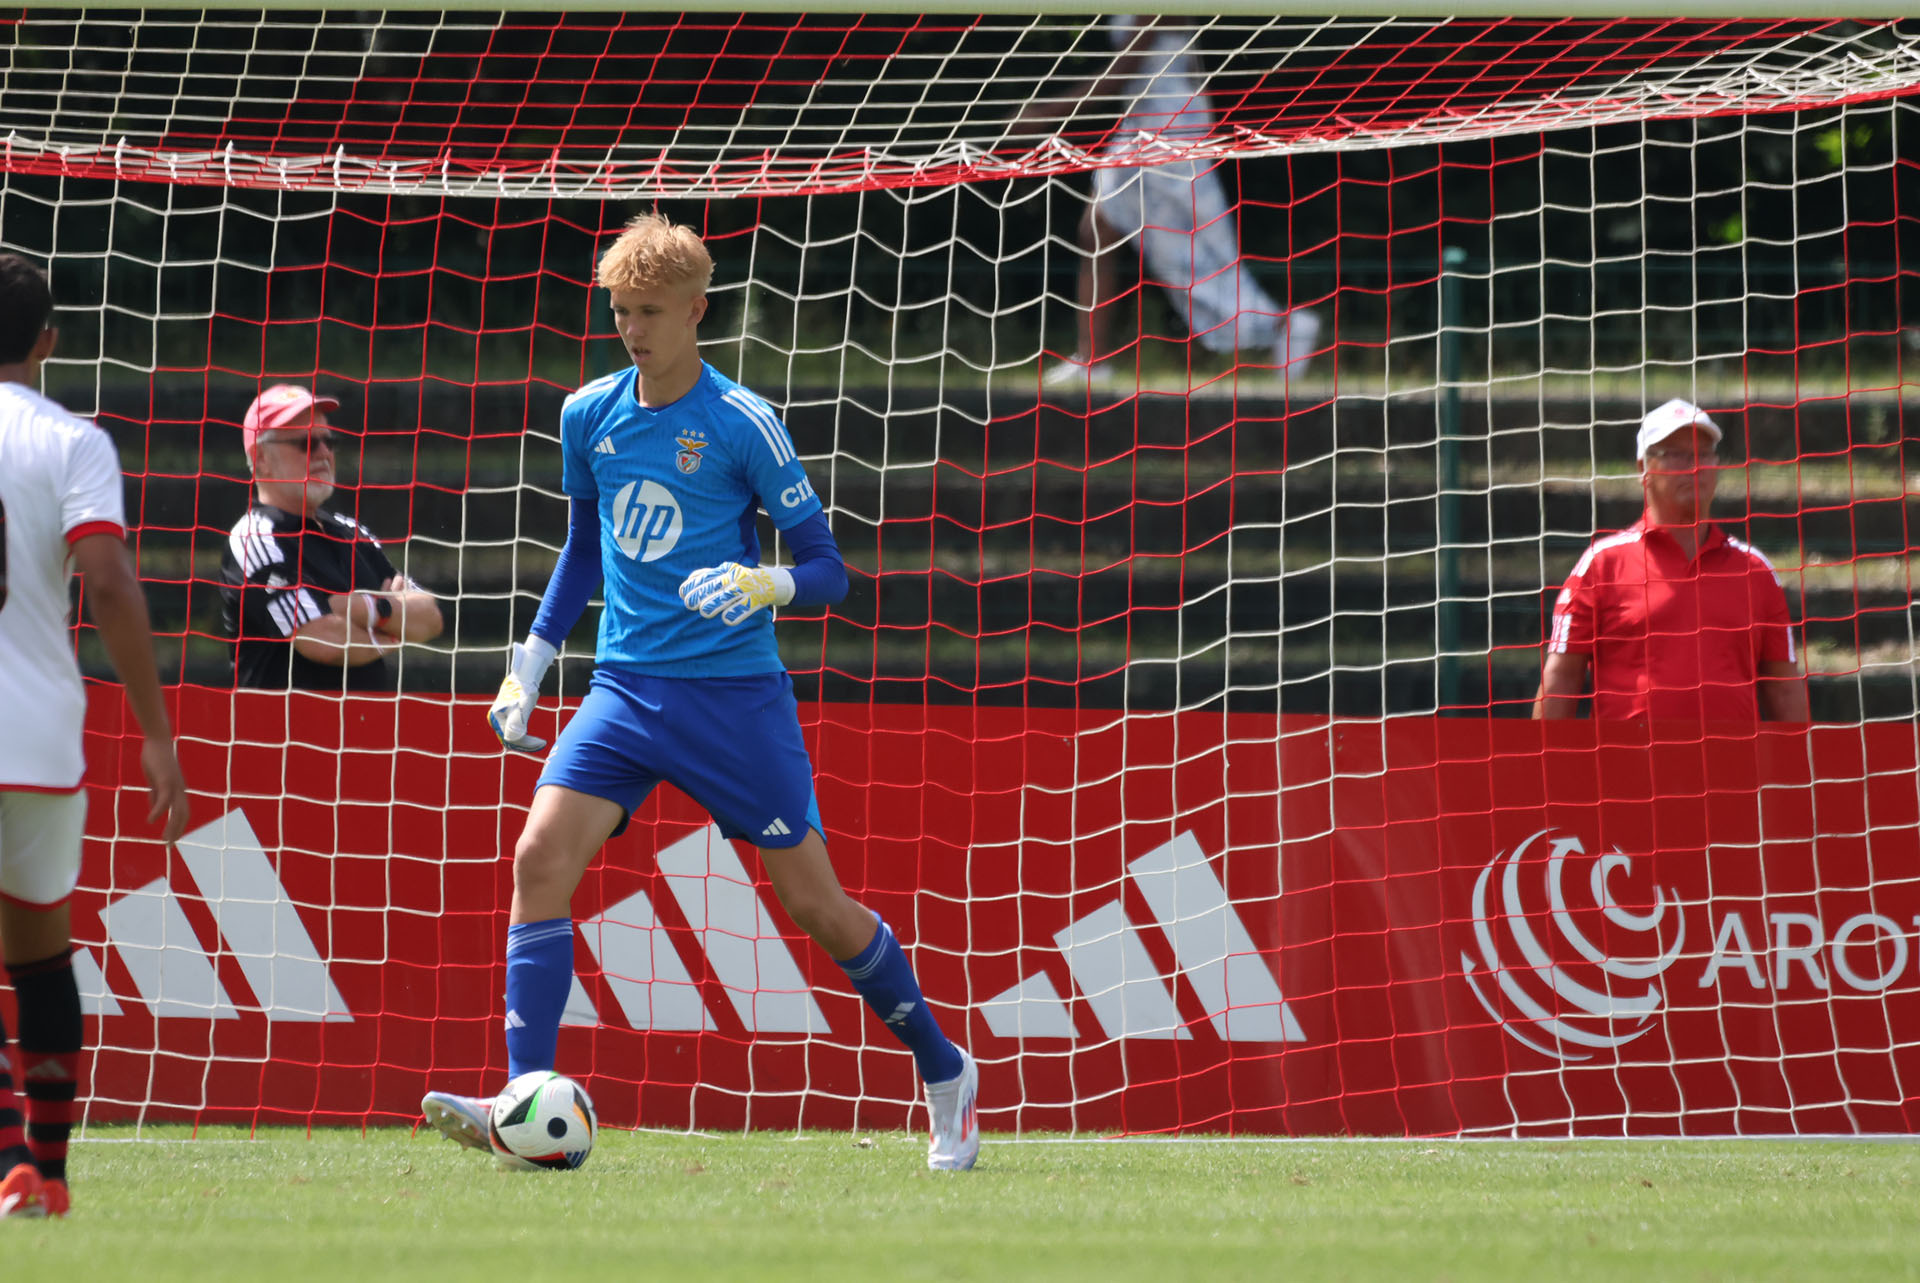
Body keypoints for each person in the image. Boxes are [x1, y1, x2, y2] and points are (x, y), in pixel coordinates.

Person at [419, 213, 980, 1172]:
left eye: (649, 312)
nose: (632, 329)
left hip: (733, 698)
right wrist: (533, 660)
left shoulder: (742, 423)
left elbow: (828, 571)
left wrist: (767, 583)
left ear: (695, 311)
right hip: (625, 689)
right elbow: (586, 546)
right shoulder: (588, 413)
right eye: (620, 311)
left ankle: (945, 1069)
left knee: (816, 904)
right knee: (539, 858)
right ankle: (524, 1098)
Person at [0, 253, 191, 1219]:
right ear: (47, 341)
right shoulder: (73, 441)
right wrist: (157, 733)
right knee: (39, 953)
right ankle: (50, 1170)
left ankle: (9, 1166)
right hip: (37, 733)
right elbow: (110, 582)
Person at [1020, 15, 1321, 387]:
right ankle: (1092, 359)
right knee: (1098, 228)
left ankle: (1282, 325)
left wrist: (1045, 114)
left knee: (1191, 256)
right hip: (1144, 125)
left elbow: (1125, 67)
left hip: (1168, 130)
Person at [1534, 398, 1810, 722]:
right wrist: (1544, 769)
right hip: (1630, 768)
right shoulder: (1601, 564)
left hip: (1733, 768)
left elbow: (1784, 687)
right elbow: (1562, 679)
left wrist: (1808, 768)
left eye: (1703, 455)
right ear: (1643, 469)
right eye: (1676, 455)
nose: (1694, 466)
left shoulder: (1755, 570)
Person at [218, 384, 443, 690]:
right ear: (261, 459)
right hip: (284, 735)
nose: (324, 453)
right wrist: (394, 629)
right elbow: (324, 641)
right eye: (306, 443)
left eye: (329, 441)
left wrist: (363, 608)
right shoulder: (253, 537)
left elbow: (430, 616)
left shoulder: (350, 531)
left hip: (370, 733)